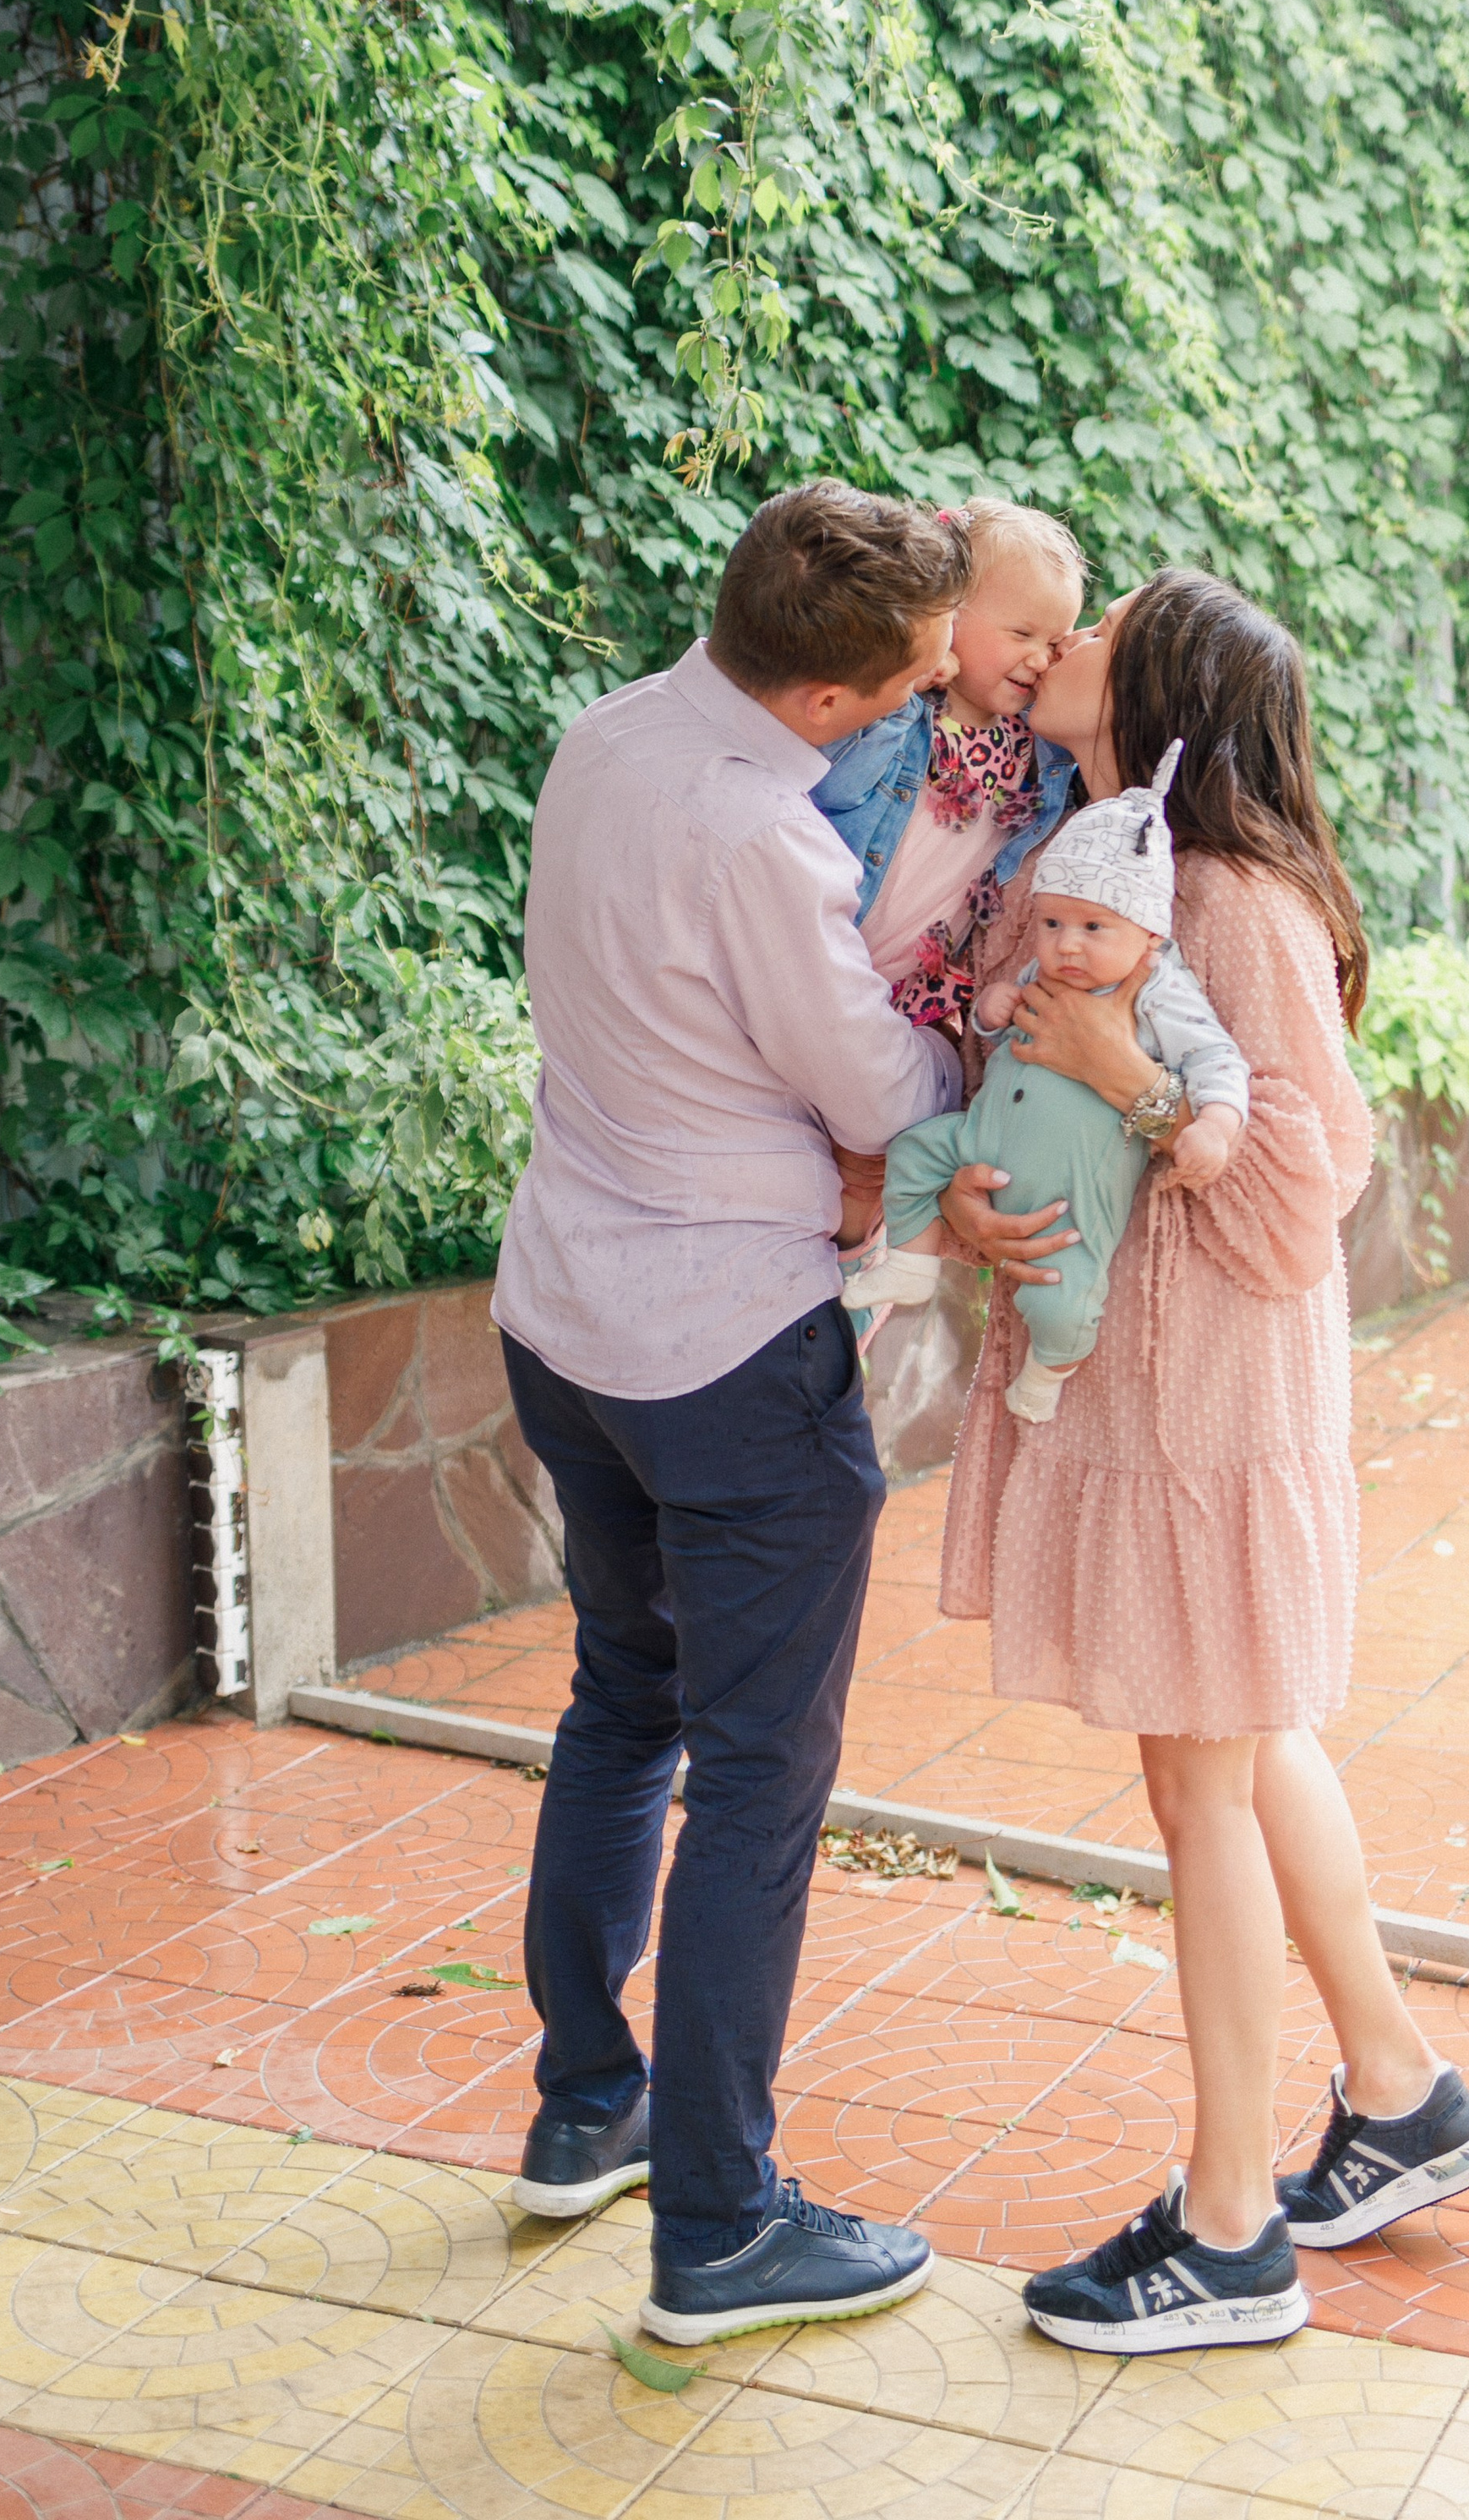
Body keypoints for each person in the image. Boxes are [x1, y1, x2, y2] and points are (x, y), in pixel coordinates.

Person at [936, 568, 1469, 2354]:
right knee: (1244, 1757)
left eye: (1099, 617)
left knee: (1202, 1790)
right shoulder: (1124, 861)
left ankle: (1230, 2227)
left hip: (1206, 1412)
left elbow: (1296, 1189)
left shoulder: (1230, 901)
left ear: (1160, 685)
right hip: (1156, 1398)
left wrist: (1126, 1074)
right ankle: (1401, 2096)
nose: (1067, 634)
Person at [489, 480, 971, 2348]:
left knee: (625, 1703)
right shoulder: (763, 838)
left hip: (566, 1320)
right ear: (840, 699)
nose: (942, 700)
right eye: (924, 676)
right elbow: (869, 1078)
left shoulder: (602, 737)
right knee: (760, 1777)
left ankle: (584, 2107)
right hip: (723, 1353)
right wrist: (973, 1026)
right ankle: (718, 2225)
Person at [844, 741, 1248, 1420]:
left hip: (1073, 1185)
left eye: (1094, 928)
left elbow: (1217, 1059)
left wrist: (1215, 1122)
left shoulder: (1158, 990)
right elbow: (1002, 1035)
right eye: (1053, 923)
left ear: (1150, 936)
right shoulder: (1053, 971)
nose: (1067, 944)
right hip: (983, 1138)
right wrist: (994, 1012)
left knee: (1060, 1292)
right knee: (914, 1152)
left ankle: (1053, 1363)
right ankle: (910, 1265)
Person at [811, 496, 1085, 1032]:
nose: (1040, 658)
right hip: (828, 947)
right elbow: (831, 786)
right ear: (949, 613)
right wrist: (909, 679)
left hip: (914, 992)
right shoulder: (897, 709)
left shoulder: (1037, 740)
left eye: (1054, 642)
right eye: (1021, 634)